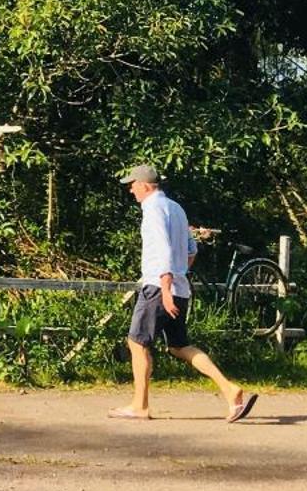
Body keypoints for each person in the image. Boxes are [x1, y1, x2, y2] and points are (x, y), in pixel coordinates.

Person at [108, 164, 259, 423]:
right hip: (180, 287)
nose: (130, 189)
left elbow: (163, 249)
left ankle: (139, 405)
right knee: (179, 346)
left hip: (159, 287)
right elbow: (192, 250)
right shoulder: (176, 208)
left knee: (137, 342)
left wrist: (165, 287)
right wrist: (178, 276)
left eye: (132, 184)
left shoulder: (153, 209)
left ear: (144, 185)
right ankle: (230, 389)